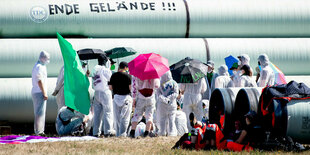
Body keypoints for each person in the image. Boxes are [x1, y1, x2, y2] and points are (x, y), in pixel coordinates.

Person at [92, 54, 115, 137]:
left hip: (96, 92)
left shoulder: (94, 69)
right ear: (105, 61)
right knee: (108, 112)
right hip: (105, 92)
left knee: (97, 114)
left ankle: (96, 132)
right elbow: (110, 79)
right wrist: (108, 68)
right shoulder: (105, 70)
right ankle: (108, 131)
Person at [109, 61, 132, 137]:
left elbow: (110, 87)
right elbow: (130, 88)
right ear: (125, 68)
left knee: (117, 118)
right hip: (126, 98)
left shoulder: (113, 75)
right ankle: (123, 134)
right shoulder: (128, 76)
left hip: (116, 98)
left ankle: (118, 134)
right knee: (125, 118)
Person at [31, 51, 50, 135]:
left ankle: (40, 130)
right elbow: (39, 81)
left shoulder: (41, 66)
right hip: (39, 92)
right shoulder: (39, 67)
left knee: (41, 112)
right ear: (43, 58)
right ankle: (39, 131)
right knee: (39, 113)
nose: (47, 60)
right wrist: (44, 92)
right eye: (47, 59)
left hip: (38, 91)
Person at [156, 71, 178, 136]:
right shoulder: (174, 83)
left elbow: (158, 94)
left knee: (162, 118)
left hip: (162, 103)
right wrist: (169, 98)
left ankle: (162, 132)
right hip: (172, 103)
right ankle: (171, 133)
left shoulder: (159, 83)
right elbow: (176, 93)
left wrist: (164, 99)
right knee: (172, 118)